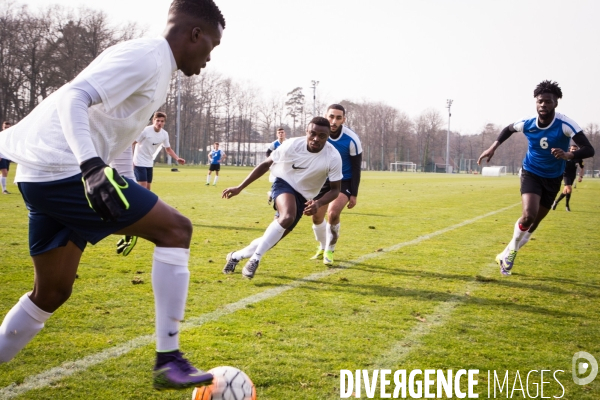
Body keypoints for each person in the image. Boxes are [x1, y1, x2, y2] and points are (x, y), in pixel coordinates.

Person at [0, 0, 225, 391]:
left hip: (44, 174)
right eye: (212, 46)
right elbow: (73, 97)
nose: (209, 58)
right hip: (63, 169)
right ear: (195, 35)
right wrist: (90, 167)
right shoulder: (148, 57)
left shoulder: (157, 66)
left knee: (51, 292)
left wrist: (119, 186)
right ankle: (168, 360)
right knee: (176, 230)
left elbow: (109, 133)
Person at [477, 80, 594, 276]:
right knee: (528, 215)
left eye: (548, 101)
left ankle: (504, 254)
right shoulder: (528, 122)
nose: (543, 105)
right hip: (531, 172)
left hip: (553, 177)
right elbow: (508, 129)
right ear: (536, 102)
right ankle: (512, 252)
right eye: (540, 101)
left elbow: (589, 149)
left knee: (534, 224)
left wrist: (569, 155)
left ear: (555, 103)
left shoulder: (566, 124)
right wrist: (493, 147)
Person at [222, 117, 343, 279]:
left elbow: (335, 190)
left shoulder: (333, 157)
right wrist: (239, 187)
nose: (316, 138)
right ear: (306, 132)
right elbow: (266, 164)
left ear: (328, 137)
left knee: (272, 239)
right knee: (287, 216)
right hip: (283, 183)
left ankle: (235, 256)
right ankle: (254, 260)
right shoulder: (292, 144)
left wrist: (319, 203)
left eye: (322, 136)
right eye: (312, 133)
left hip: (304, 197)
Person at [310, 104, 362, 266]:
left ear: (343, 120)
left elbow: (356, 167)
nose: (334, 121)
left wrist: (353, 194)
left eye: (338, 118)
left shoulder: (352, 139)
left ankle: (330, 250)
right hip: (322, 180)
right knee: (316, 216)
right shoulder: (317, 135)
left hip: (343, 181)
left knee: (332, 213)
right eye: (331, 116)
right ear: (326, 116)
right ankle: (322, 245)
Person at [133, 111, 185, 191]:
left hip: (149, 163)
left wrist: (177, 158)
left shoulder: (164, 134)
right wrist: (130, 160)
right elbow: (132, 143)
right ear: (153, 120)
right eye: (157, 120)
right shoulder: (145, 131)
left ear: (164, 122)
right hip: (139, 162)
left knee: (148, 189)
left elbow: (168, 149)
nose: (159, 123)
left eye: (162, 121)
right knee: (143, 188)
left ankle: (143, 203)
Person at [551, 144, 584, 212]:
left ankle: (556, 202)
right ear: (570, 149)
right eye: (572, 149)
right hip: (565, 174)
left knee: (565, 191)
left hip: (573, 175)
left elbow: (582, 167)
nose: (574, 150)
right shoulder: (566, 156)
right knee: (569, 189)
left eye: (575, 149)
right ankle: (567, 206)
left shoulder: (579, 158)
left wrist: (581, 176)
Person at [266, 127, 286, 204]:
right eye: (279, 133)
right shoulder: (274, 144)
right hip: (277, 166)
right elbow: (267, 153)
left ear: (285, 134)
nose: (281, 134)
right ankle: (274, 194)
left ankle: (272, 194)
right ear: (277, 134)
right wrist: (271, 160)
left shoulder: (288, 142)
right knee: (276, 181)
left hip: (286, 166)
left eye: (282, 132)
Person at [1, 121, 12, 194]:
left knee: (5, 173)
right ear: (3, 127)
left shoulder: (10, 136)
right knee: (4, 172)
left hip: (7, 157)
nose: (7, 129)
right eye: (5, 127)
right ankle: (4, 190)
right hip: (1, 156)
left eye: (8, 127)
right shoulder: (1, 135)